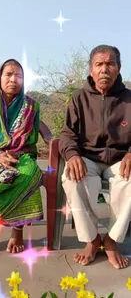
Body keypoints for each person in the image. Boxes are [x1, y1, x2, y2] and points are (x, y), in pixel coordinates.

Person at [59, 45, 131, 269]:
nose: (104, 69)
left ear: (118, 68)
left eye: (110, 64)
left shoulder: (129, 99)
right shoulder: (79, 98)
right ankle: (92, 240)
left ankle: (111, 240)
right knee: (72, 178)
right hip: (88, 158)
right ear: (91, 70)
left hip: (120, 160)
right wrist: (72, 155)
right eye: (99, 64)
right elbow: (67, 133)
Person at [0, 59, 43, 258]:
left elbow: (30, 139)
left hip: (19, 153)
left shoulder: (31, 106)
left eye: (19, 76)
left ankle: (17, 231)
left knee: (28, 173)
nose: (14, 79)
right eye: (9, 74)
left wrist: (13, 153)